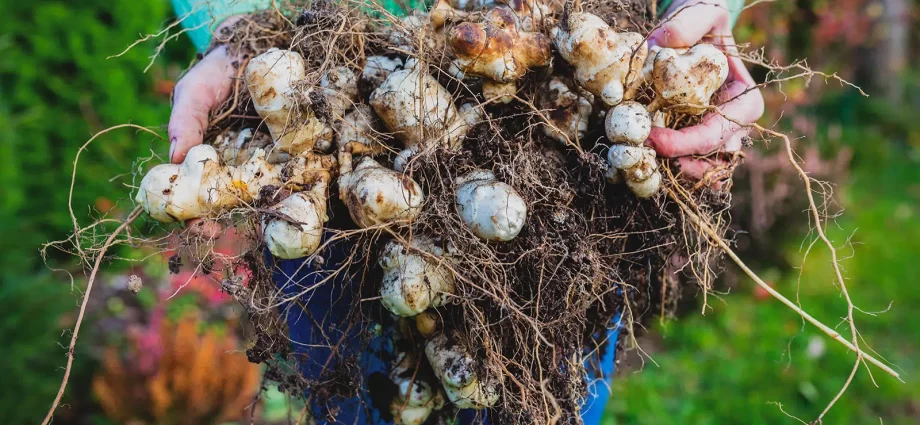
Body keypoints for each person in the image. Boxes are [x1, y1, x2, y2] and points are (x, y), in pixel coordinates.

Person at [167, 0, 763, 424]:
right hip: (331, 80)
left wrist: (702, 10)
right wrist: (239, 27)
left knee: (548, 392)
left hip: (582, 167)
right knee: (359, 396)